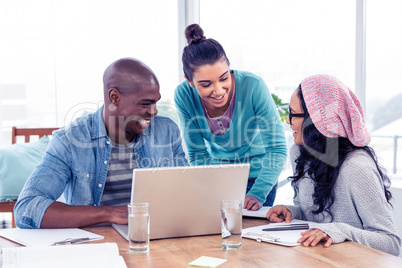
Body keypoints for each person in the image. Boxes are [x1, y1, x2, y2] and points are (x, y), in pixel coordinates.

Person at [15, 57, 188, 229]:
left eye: (156, 102)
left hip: (155, 239)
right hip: (96, 246)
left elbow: (187, 191)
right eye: (145, 104)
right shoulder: (70, 140)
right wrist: (111, 213)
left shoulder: (167, 131)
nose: (154, 111)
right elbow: (26, 208)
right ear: (114, 98)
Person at [266, 74, 401, 256]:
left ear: (316, 121)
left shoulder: (357, 167)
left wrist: (340, 231)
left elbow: (391, 243)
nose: (288, 121)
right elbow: (313, 217)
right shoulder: (299, 154)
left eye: (292, 114)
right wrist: (291, 212)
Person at [174, 24, 287, 210]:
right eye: (206, 84)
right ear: (189, 81)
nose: (218, 91)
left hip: (260, 178)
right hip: (219, 178)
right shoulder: (183, 95)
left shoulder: (253, 86)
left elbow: (277, 148)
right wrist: (216, 188)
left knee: (253, 235)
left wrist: (257, 193)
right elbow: (198, 153)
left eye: (224, 78)